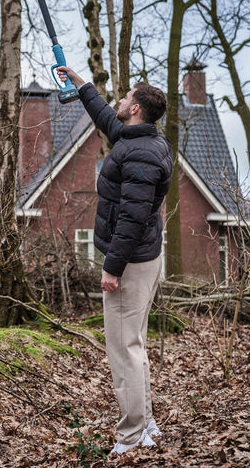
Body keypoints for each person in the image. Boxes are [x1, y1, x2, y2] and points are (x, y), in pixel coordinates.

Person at [57, 66, 172, 456]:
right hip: (141, 258)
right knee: (133, 344)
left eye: (126, 97)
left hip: (132, 263)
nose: (119, 100)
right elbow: (107, 117)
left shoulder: (141, 153)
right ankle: (146, 424)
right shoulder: (139, 139)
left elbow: (133, 218)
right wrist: (81, 84)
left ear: (136, 108)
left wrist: (112, 267)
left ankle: (132, 435)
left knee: (124, 350)